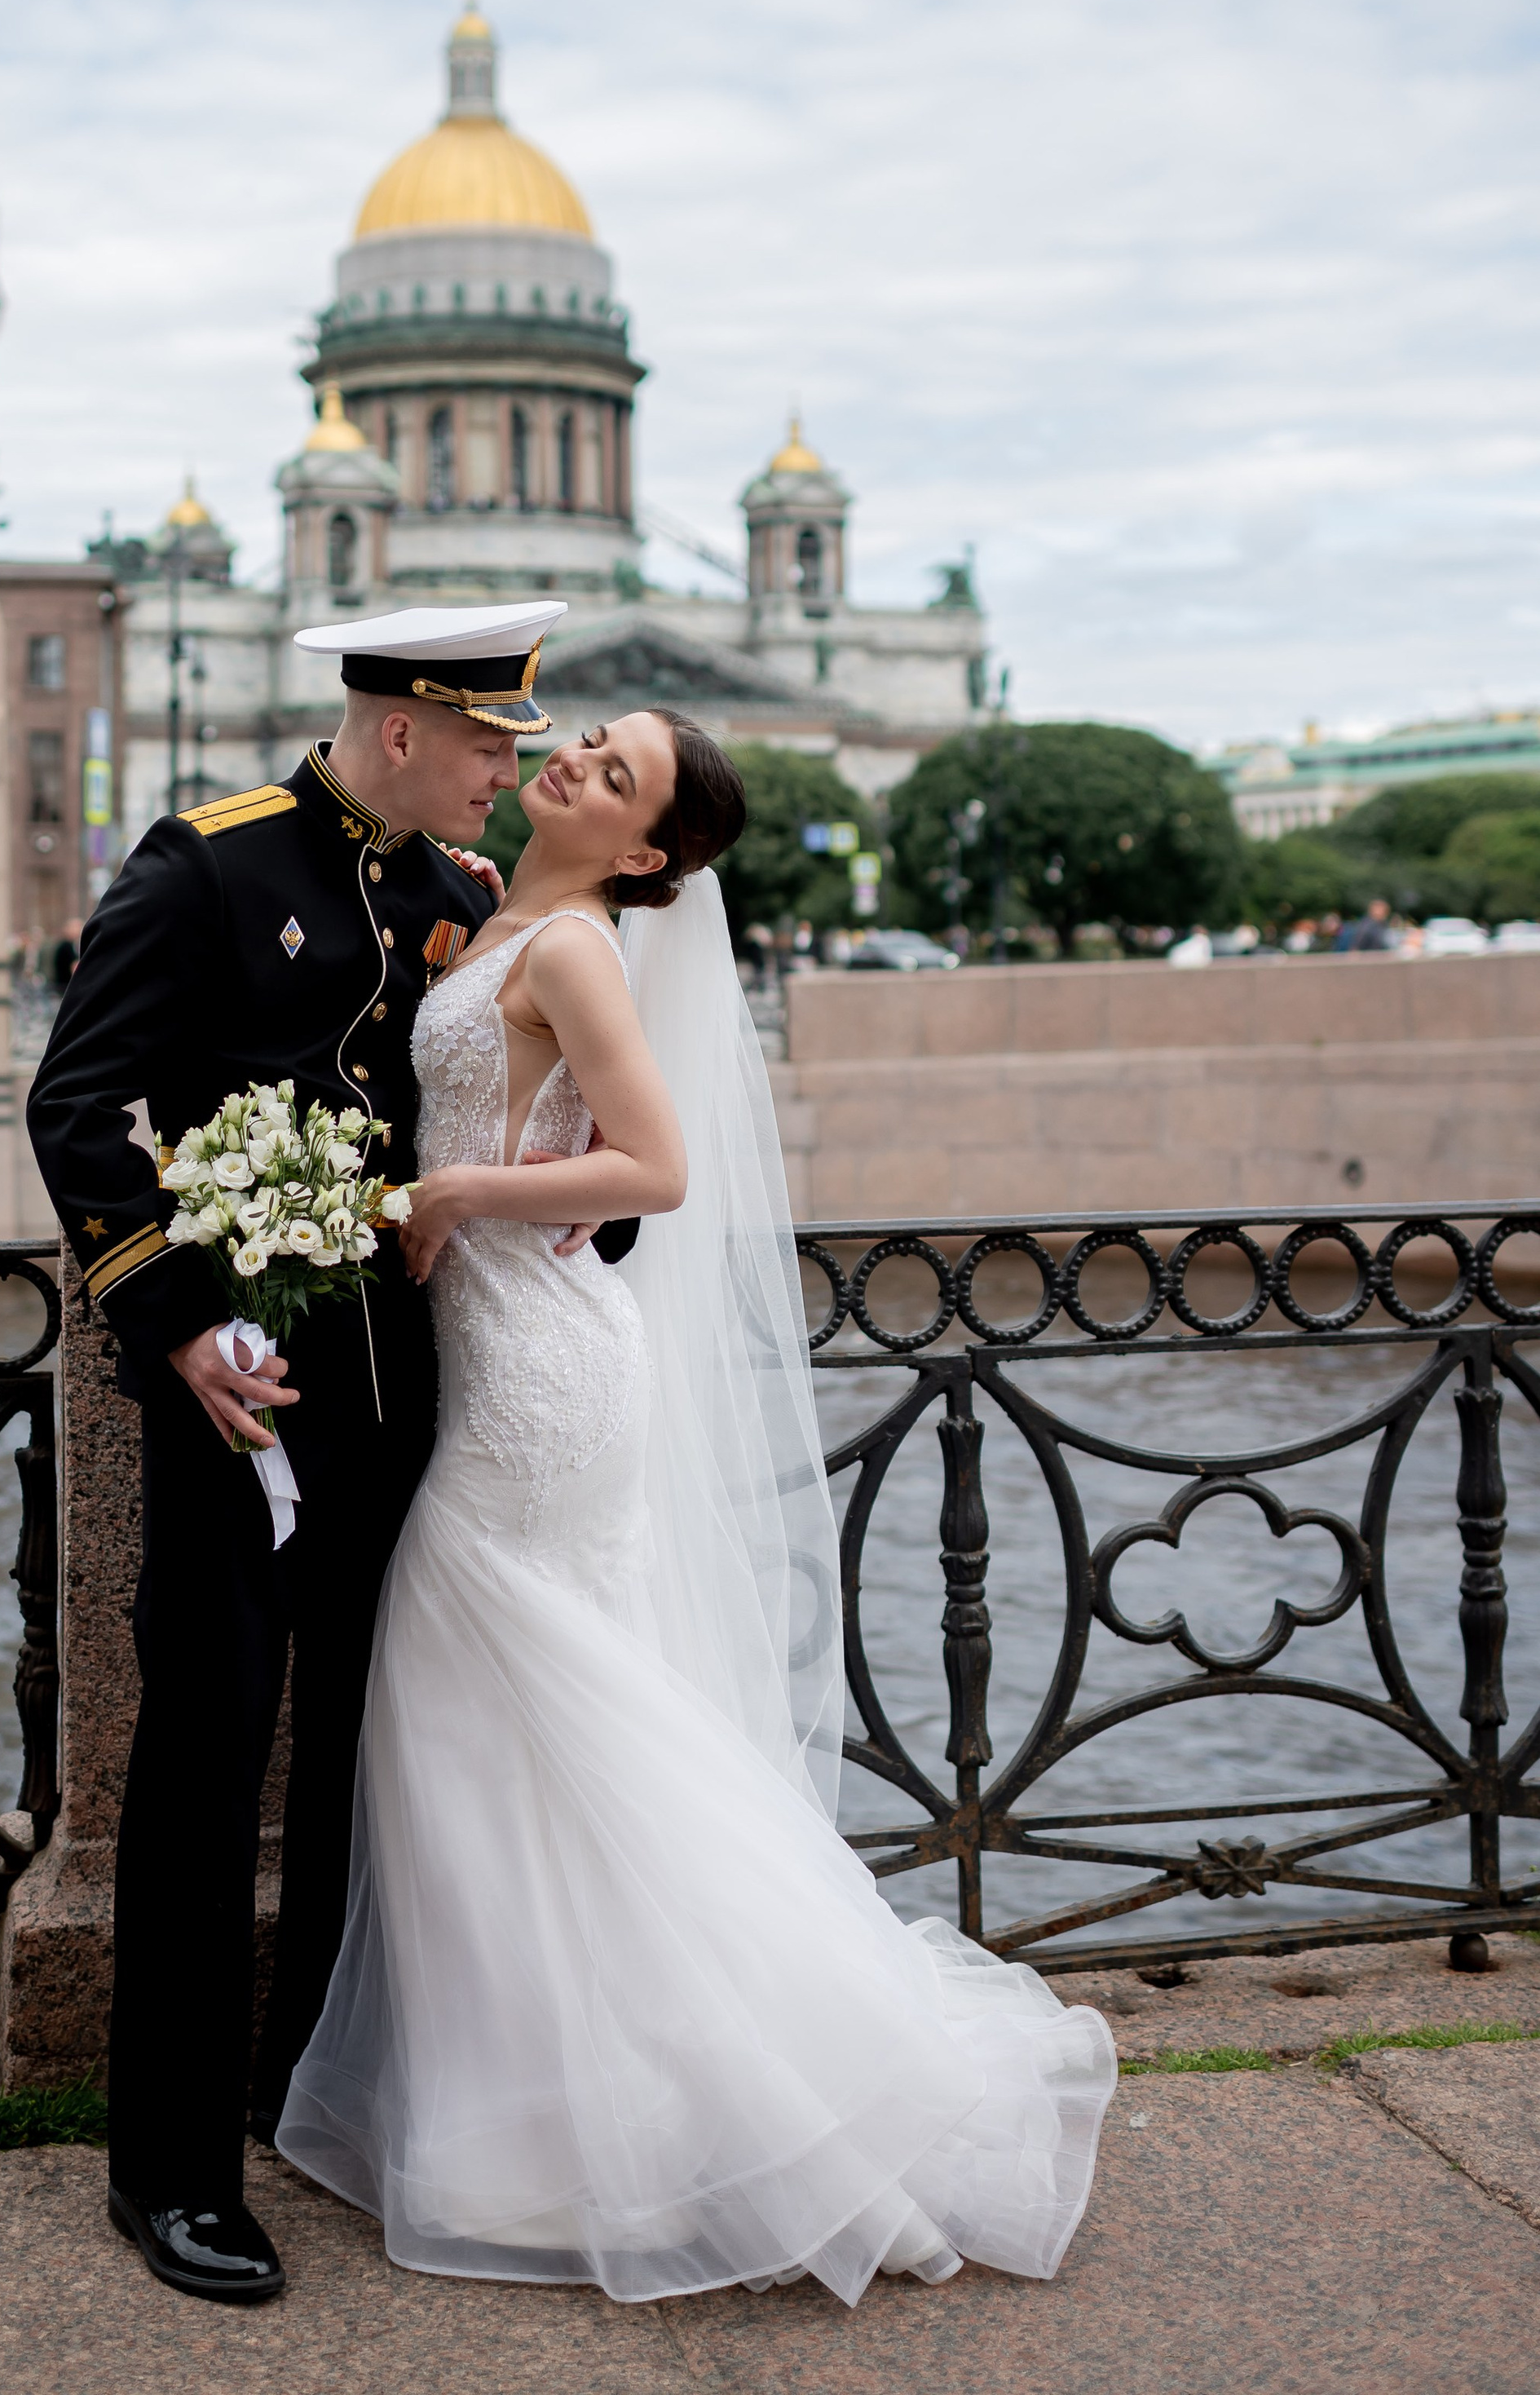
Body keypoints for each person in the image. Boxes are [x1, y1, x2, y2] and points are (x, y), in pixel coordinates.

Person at [274, 706, 1115, 2304]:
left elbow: (653, 1168)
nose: (576, 762)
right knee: (502, 1727)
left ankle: (617, 2114)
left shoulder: (577, 945)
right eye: (589, 740)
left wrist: (458, 1190)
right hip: (512, 1354)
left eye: (615, 775)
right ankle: (545, 2115)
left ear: (647, 849)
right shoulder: (494, 913)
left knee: (483, 1710)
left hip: (538, 1370)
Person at [26, 599, 611, 2308]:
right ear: (400, 725)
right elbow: (82, 1103)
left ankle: (304, 2088)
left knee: (368, 1754)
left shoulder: (455, 898)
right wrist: (173, 1318)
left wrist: (584, 1220)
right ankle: (169, 2169)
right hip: (244, 1401)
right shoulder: (209, 865)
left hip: (412, 1392)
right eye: (490, 742)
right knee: (206, 1772)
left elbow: (482, 1119)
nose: (511, 770)